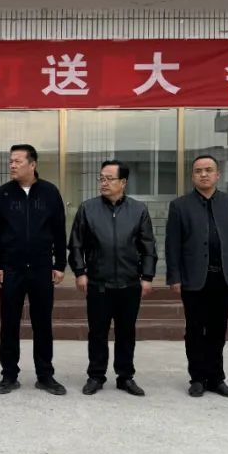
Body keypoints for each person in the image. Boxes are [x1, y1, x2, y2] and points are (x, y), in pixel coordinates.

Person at [68, 159, 156, 397]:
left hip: (129, 283)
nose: (103, 183)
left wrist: (147, 276)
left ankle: (125, 377)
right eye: (101, 178)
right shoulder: (88, 208)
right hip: (99, 283)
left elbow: (148, 246)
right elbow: (75, 244)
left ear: (123, 182)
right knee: (97, 332)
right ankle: (96, 376)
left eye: (109, 179)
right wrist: (80, 272)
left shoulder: (138, 210)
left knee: (126, 332)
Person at [165, 154, 228, 399]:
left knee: (218, 330)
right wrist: (174, 277)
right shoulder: (180, 206)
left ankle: (216, 378)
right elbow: (172, 245)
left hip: (224, 278)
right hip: (194, 279)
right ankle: (197, 378)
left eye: (208, 170)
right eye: (198, 171)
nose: (203, 174)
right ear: (192, 176)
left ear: (217, 174)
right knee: (195, 330)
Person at [0, 144, 67, 395]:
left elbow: (59, 231)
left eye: (17, 161)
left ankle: (45, 375)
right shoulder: (2, 195)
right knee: (9, 323)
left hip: (42, 268)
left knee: (43, 323)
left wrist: (60, 264)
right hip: (11, 268)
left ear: (32, 165)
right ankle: (9, 375)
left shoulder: (50, 193)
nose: (12, 165)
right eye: (11, 161)